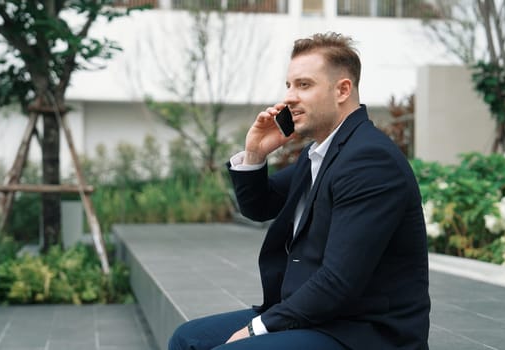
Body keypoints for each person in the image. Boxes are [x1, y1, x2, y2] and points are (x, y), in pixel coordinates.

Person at [169, 32, 430, 350]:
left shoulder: (368, 160)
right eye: (289, 85)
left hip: (363, 333)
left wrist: (258, 328)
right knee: (187, 339)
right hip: (319, 319)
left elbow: (338, 282)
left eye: (304, 85)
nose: (289, 97)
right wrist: (255, 154)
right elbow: (260, 207)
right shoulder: (318, 153)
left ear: (342, 90)